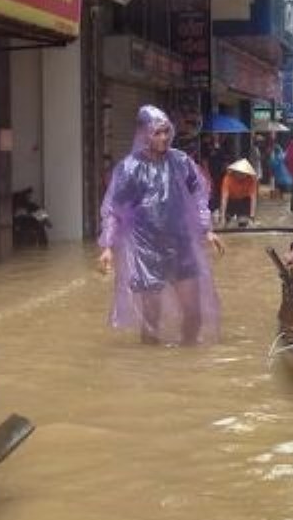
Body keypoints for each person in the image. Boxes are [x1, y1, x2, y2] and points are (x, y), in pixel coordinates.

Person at [97, 106, 225, 345]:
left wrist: (206, 229)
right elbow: (115, 209)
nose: (164, 137)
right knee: (151, 321)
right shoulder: (129, 168)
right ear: (144, 133)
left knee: (193, 313)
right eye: (157, 132)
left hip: (181, 245)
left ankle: (187, 360)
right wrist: (108, 246)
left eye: (166, 131)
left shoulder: (180, 161)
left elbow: (199, 192)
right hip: (147, 251)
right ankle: (152, 370)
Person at [219, 158, 259, 227]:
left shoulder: (251, 179)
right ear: (235, 171)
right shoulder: (227, 178)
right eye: (240, 173)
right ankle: (226, 218)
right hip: (231, 201)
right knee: (225, 222)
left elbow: (253, 199)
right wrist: (222, 217)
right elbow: (224, 198)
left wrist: (252, 217)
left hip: (244, 201)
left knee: (243, 223)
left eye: (245, 173)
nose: (243, 175)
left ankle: (244, 219)